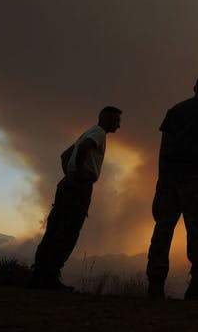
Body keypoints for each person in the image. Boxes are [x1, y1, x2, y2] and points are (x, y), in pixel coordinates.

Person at [145, 74, 198, 301]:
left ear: (194, 87)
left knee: (163, 228)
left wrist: (161, 180)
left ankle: (155, 285)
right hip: (196, 178)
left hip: (168, 178)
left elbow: (163, 147)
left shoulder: (174, 110)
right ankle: (197, 285)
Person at [30, 106, 123, 290]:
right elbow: (85, 148)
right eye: (117, 121)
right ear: (107, 118)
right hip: (80, 185)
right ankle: (50, 278)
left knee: (55, 228)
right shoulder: (98, 134)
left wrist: (69, 175)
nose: (119, 126)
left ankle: (38, 276)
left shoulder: (88, 132)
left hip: (67, 185)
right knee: (69, 230)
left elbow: (64, 155)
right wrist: (77, 175)